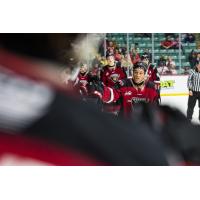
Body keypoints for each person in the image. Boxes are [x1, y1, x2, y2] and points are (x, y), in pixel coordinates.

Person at [94, 62, 158, 118]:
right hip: (125, 124)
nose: (138, 75)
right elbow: (112, 95)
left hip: (144, 126)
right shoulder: (123, 84)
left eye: (141, 73)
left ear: (145, 75)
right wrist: (103, 91)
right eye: (136, 72)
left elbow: (155, 109)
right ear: (132, 72)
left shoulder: (152, 87)